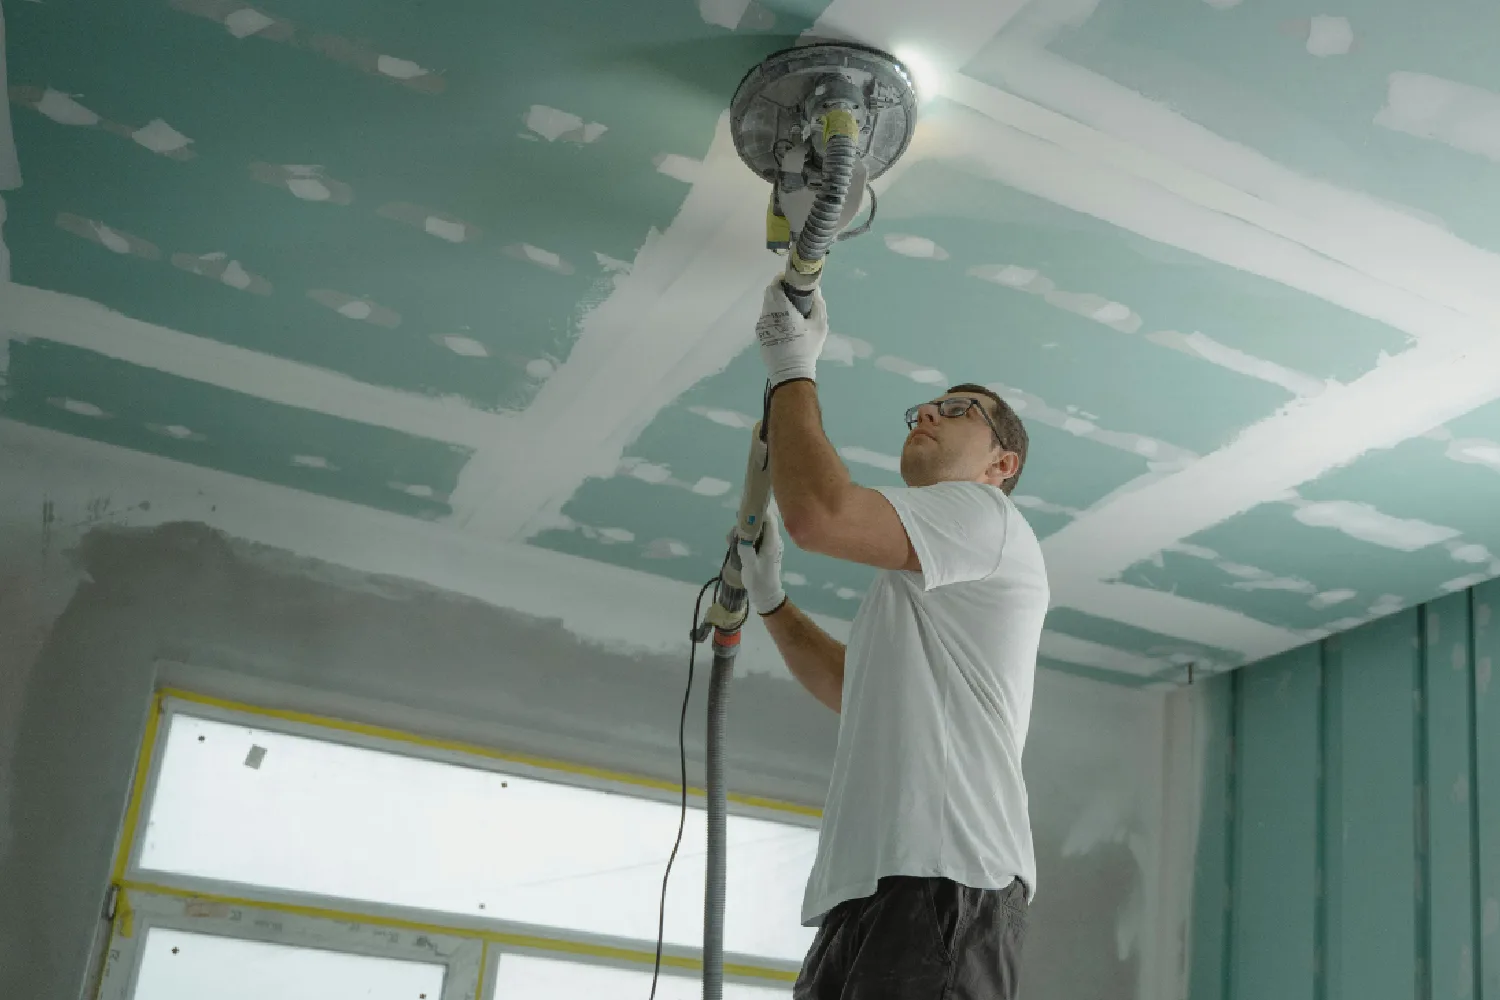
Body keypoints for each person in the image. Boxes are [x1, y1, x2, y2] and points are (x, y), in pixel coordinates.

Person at [740, 279, 1050, 999]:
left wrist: (792, 370)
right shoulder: (915, 586)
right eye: (924, 409)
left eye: (959, 410)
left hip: (947, 877)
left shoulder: (985, 518)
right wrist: (773, 603)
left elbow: (820, 515)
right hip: (872, 888)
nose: (930, 415)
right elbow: (855, 690)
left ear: (1001, 467)